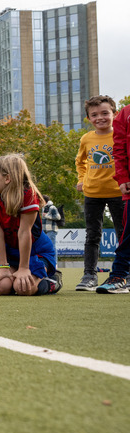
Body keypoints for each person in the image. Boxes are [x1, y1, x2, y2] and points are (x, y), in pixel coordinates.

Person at [0, 154, 60, 296]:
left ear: (7, 178)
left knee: (23, 288)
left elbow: (24, 233)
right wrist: (3, 265)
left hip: (36, 251)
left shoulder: (28, 194)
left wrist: (23, 268)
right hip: (10, 252)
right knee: (2, 287)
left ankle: (52, 281)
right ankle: (16, 272)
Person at [75, 95, 123, 290]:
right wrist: (81, 179)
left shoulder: (120, 135)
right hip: (93, 193)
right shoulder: (86, 139)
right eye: (94, 115)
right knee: (92, 235)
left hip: (118, 192)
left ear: (114, 114)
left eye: (105, 113)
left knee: (123, 235)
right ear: (88, 118)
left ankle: (123, 274)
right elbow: (80, 162)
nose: (100, 118)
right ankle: (89, 276)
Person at [97, 97, 130, 293]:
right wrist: (123, 177)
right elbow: (118, 149)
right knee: (128, 234)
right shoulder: (124, 115)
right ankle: (119, 275)